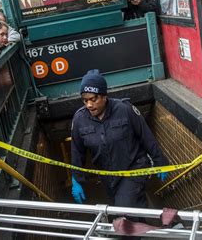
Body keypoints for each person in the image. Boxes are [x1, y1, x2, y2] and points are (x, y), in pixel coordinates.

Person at [71, 70, 168, 210]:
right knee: (129, 211)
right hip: (108, 176)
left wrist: (160, 161)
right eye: (85, 100)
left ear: (104, 96)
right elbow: (77, 151)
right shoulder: (79, 119)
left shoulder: (125, 109)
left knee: (124, 211)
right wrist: (76, 179)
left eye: (93, 99)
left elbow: (146, 136)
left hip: (134, 168)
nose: (89, 105)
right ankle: (144, 229)